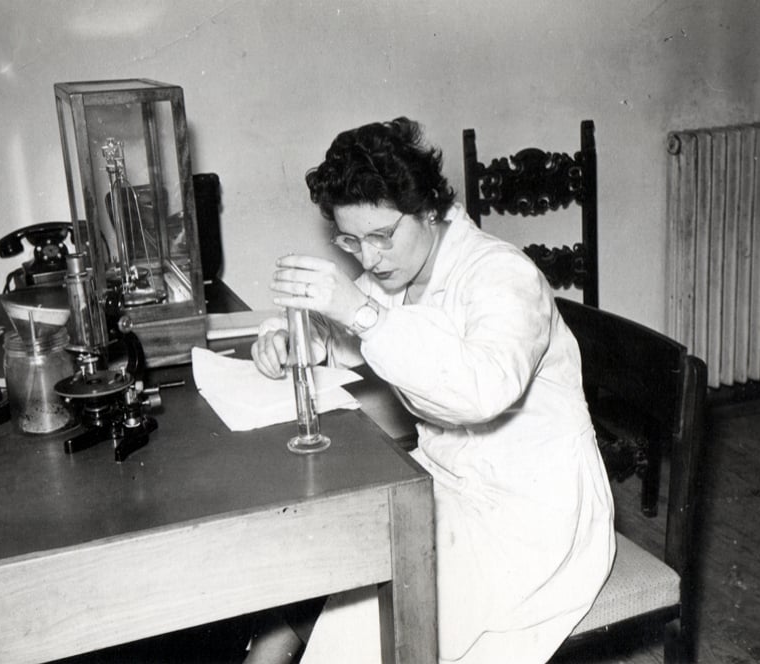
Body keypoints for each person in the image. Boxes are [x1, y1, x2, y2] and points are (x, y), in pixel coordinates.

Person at [246, 117, 615, 664]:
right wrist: (283, 337)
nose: (368, 259)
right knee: (322, 559)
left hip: (529, 510)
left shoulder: (501, 275)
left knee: (368, 625)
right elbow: (339, 335)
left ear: (428, 210)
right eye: (351, 240)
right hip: (444, 485)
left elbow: (483, 389)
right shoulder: (398, 275)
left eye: (381, 236)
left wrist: (360, 311)